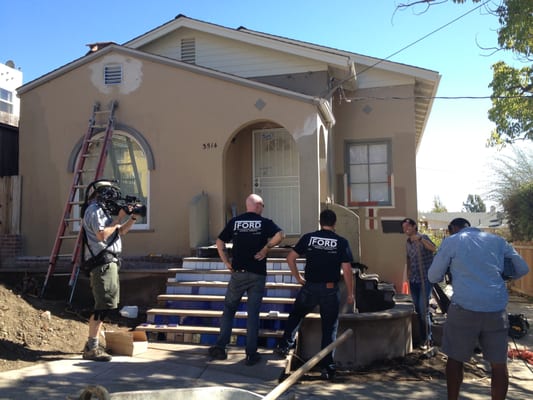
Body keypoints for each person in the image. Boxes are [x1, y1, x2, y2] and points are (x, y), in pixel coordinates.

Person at [428, 217, 529, 400]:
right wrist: (502, 276)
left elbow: (433, 276)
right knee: (499, 364)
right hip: (495, 309)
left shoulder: (453, 241)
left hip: (464, 308)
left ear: (453, 229)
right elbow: (522, 268)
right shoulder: (497, 240)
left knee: (455, 359)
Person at [274, 209, 354, 380]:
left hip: (309, 287)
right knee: (329, 327)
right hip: (330, 289)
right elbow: (347, 270)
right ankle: (327, 367)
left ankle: (284, 345)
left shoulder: (308, 238)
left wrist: (298, 277)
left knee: (296, 314)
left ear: (320, 222)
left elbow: (290, 258)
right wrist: (350, 293)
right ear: (335, 223)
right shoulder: (341, 242)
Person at [208, 193, 284, 366]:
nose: (263, 208)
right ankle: (251, 353)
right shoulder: (264, 222)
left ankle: (221, 347)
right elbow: (281, 235)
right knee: (253, 314)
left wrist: (226, 262)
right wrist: (266, 249)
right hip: (257, 274)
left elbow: (219, 242)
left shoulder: (235, 222)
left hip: (238, 273)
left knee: (229, 309)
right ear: (257, 206)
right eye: (262, 205)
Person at [81, 179, 139, 361]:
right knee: (102, 306)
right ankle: (92, 347)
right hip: (102, 263)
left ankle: (92, 344)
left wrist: (134, 218)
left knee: (106, 305)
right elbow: (101, 235)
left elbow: (119, 231)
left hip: (110, 262)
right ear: (103, 193)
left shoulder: (103, 211)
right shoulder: (94, 210)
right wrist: (119, 218)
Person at [401, 217, 437, 349]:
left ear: (414, 226)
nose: (406, 230)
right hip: (414, 280)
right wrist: (408, 272)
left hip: (425, 279)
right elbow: (408, 257)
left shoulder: (424, 237)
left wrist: (420, 240)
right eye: (404, 228)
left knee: (423, 309)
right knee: (418, 309)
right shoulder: (408, 242)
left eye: (408, 227)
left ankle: (428, 339)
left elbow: (434, 249)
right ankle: (423, 337)